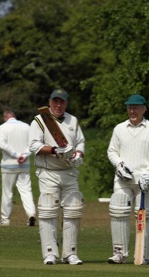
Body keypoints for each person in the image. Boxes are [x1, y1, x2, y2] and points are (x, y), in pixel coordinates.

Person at [29, 88, 85, 265]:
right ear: (50, 101)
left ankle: (70, 253)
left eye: (61, 102)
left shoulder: (73, 120)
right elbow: (33, 146)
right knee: (48, 210)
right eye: (55, 101)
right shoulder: (40, 120)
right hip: (48, 173)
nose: (58, 105)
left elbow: (80, 142)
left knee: (73, 210)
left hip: (69, 172)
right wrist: (55, 150)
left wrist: (78, 155)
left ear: (66, 103)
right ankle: (50, 253)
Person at [107, 94, 149, 265]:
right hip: (123, 179)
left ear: (144, 109)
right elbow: (112, 151)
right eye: (130, 107)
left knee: (144, 216)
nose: (132, 111)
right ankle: (119, 253)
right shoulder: (119, 129)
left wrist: (148, 172)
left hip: (144, 182)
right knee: (118, 211)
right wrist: (120, 164)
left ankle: (143, 254)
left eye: (136, 107)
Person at [0, 110, 36, 226]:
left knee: (7, 192)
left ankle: (5, 219)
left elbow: (2, 145)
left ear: (5, 118)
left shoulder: (2, 127)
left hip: (8, 164)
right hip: (24, 164)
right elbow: (32, 145)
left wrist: (16, 155)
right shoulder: (26, 126)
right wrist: (24, 155)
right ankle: (31, 214)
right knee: (26, 190)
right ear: (14, 116)